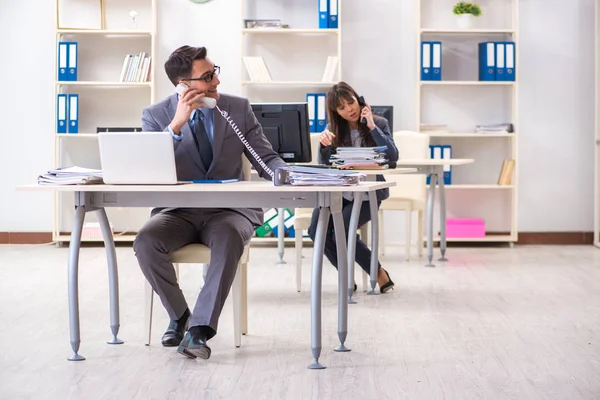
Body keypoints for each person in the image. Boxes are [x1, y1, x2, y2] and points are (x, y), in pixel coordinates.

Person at [135, 45, 286, 360]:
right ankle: (180, 316)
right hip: (178, 212)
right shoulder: (156, 115)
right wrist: (175, 125)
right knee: (146, 241)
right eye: (207, 77)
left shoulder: (237, 108)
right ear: (183, 86)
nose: (216, 80)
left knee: (229, 235)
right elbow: (147, 169)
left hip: (228, 211)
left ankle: (199, 330)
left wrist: (288, 174)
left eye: (215, 71)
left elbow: (265, 157)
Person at [308, 81, 398, 293]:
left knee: (344, 230)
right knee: (316, 230)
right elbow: (326, 166)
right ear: (335, 112)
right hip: (340, 192)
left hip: (369, 193)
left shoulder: (379, 123)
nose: (350, 109)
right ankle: (347, 275)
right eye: (342, 107)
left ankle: (377, 273)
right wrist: (323, 147)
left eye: (351, 102)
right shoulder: (333, 130)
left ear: (359, 100)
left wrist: (372, 127)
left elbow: (392, 157)